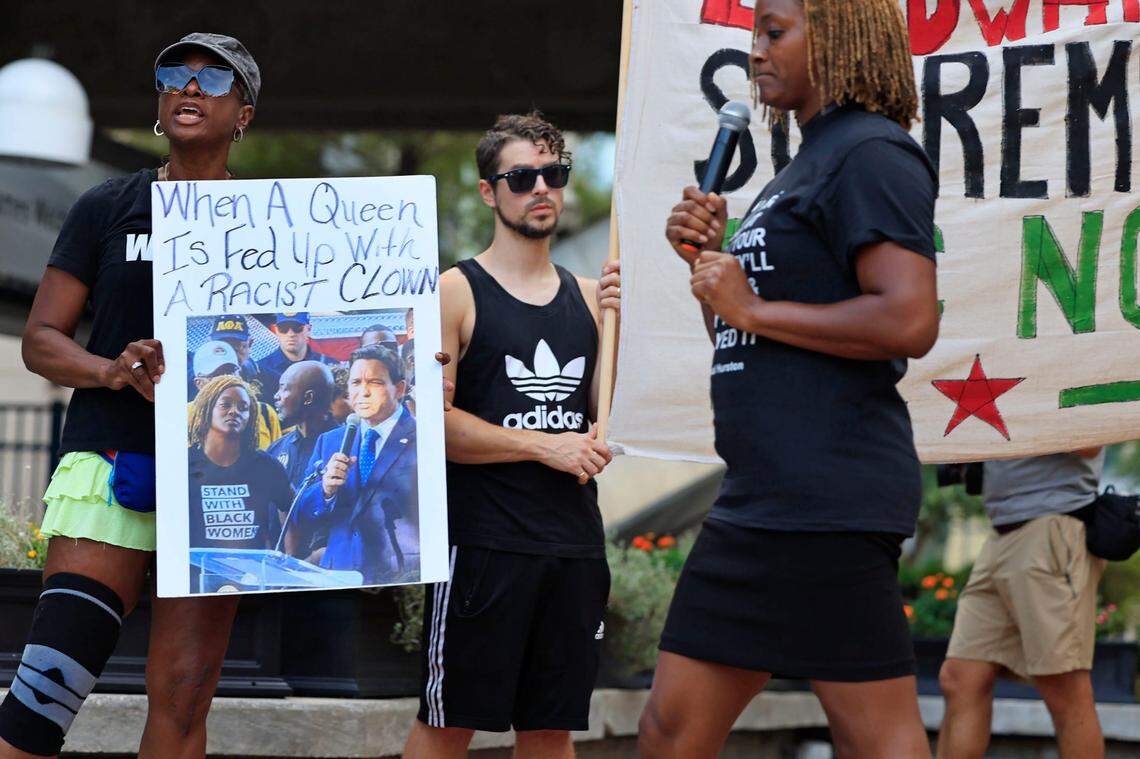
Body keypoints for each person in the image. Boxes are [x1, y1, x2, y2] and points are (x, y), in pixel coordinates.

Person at [640, 2, 940, 757]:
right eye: (754, 35)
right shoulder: (801, 167)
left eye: (776, 32)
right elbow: (752, 329)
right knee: (670, 731)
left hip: (826, 493)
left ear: (837, 38)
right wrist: (710, 277)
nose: (756, 52)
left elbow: (909, 321)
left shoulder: (871, 152)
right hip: (763, 494)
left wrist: (753, 305)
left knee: (877, 741)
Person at [1, 32, 261, 758]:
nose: (189, 87)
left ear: (244, 113)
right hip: (111, 455)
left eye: (214, 80)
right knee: (48, 684)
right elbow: (41, 339)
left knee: (184, 694)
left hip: (222, 481)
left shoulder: (280, 221)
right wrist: (111, 368)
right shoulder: (108, 205)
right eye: (175, 74)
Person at [402, 112, 621, 759]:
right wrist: (539, 444)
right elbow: (431, 425)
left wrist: (622, 326)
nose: (541, 188)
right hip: (483, 544)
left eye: (554, 174)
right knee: (448, 722)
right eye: (522, 177)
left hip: (573, 545)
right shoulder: (455, 290)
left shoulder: (591, 297)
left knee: (550, 729)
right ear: (488, 190)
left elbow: (602, 428)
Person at [937, 449, 1107, 759]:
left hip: (1052, 525)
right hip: (1001, 531)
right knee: (960, 676)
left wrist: (1019, 412)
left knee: (1064, 688)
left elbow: (1092, 439)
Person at [289, 345, 418, 585]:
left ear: (399, 389)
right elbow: (300, 515)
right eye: (356, 382)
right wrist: (325, 491)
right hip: (339, 573)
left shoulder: (423, 437)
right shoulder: (331, 441)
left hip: (402, 577)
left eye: (375, 382)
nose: (363, 392)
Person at [186, 376, 293, 591]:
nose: (235, 411)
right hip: (196, 581)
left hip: (252, 582)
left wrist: (288, 559)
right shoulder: (184, 464)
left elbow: (289, 511)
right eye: (225, 405)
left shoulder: (266, 466)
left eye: (243, 407)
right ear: (207, 410)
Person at [189, 340, 282, 449]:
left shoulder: (264, 412)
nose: (226, 380)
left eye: (230, 372)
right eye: (217, 375)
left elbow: (277, 458)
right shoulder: (183, 416)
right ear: (199, 383)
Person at [267, 360, 338, 489]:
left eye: (284, 388)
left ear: (308, 398)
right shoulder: (276, 448)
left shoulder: (345, 445)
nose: (276, 396)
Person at [254, 312, 337, 401]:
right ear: (276, 330)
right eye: (284, 329)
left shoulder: (329, 366)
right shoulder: (261, 369)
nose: (291, 334)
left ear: (308, 330)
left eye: (297, 328)